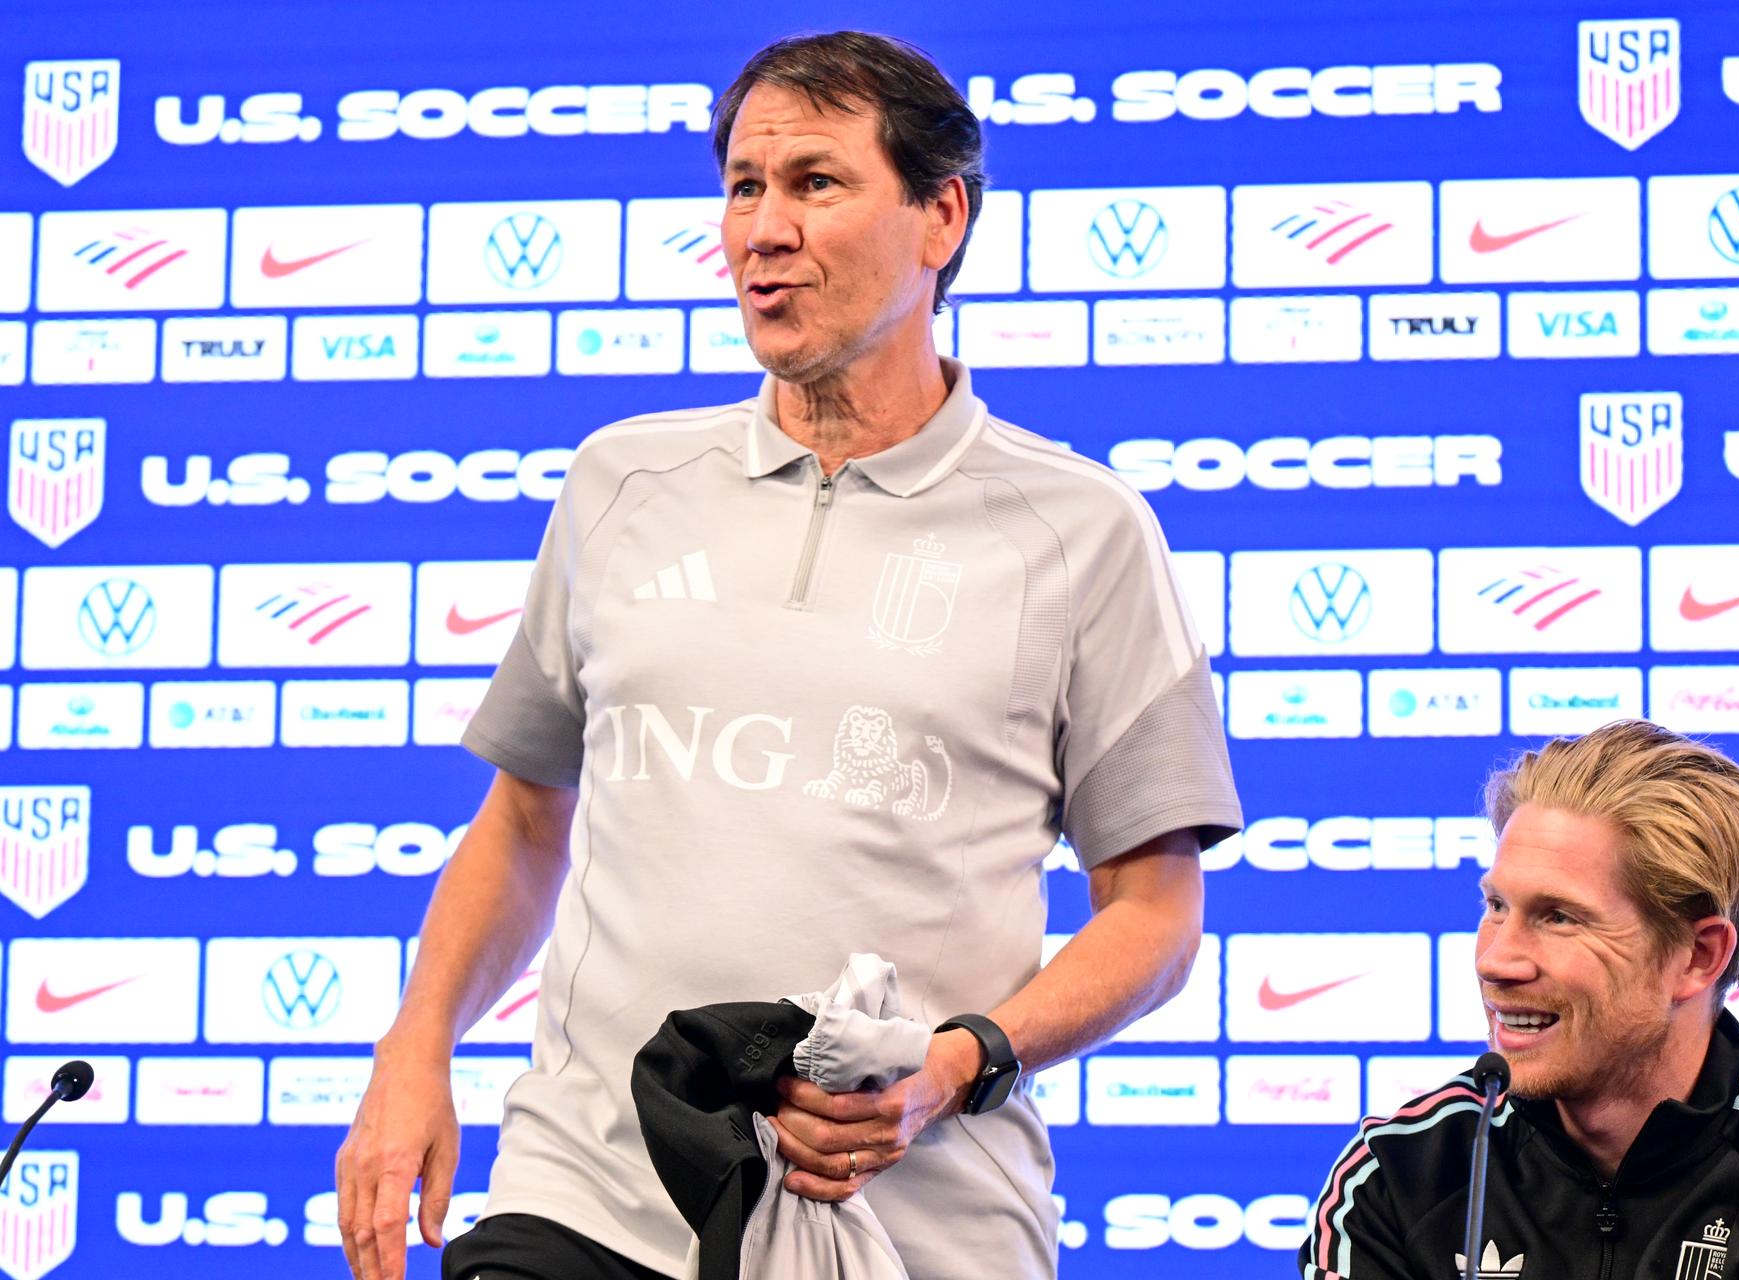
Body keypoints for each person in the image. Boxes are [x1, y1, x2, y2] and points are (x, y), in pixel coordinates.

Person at [335, 29, 1241, 1280]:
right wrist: (416, 1042)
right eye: (744, 187)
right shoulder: (620, 481)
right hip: (590, 1193)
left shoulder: (1082, 531)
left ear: (940, 218)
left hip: (919, 1226)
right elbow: (527, 819)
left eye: (815, 182)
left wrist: (958, 1062)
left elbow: (1154, 914)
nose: (763, 227)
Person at [1300, 719, 1739, 1280]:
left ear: (1698, 957)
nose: (1496, 961)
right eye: (1496, 907)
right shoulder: (1400, 1171)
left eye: (1560, 918)